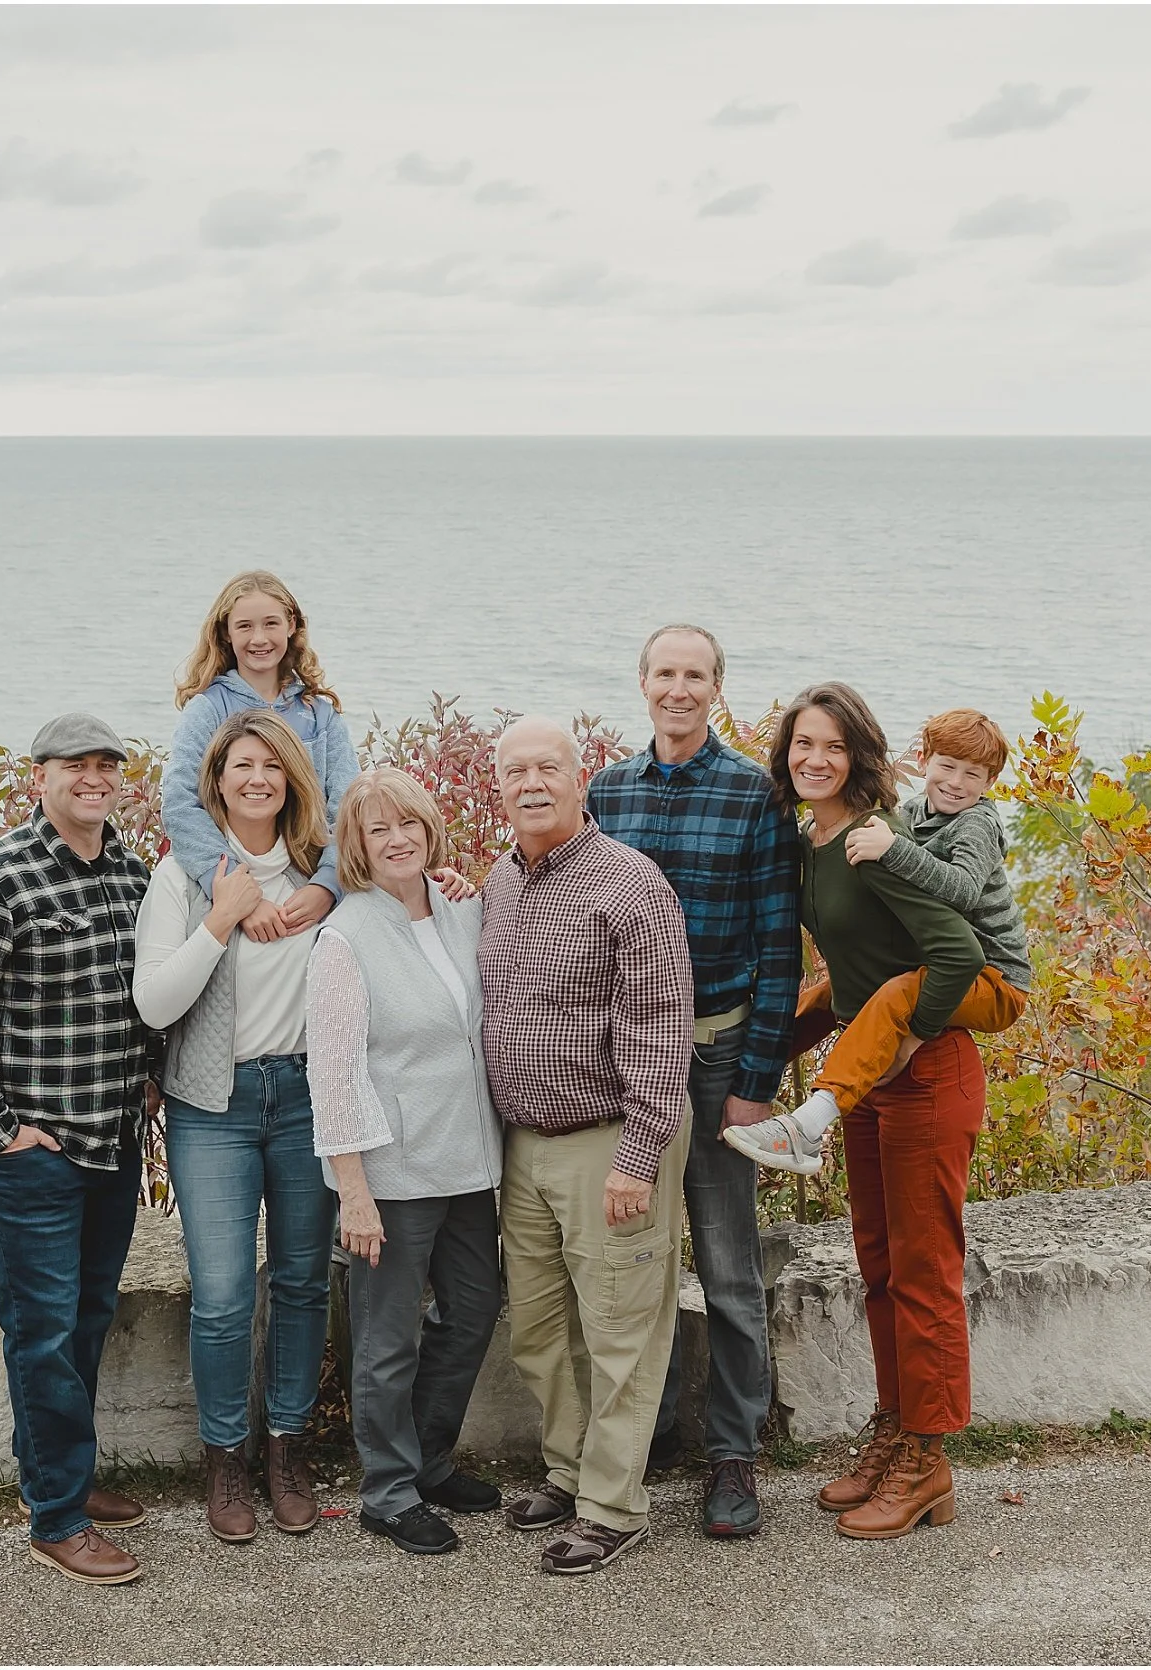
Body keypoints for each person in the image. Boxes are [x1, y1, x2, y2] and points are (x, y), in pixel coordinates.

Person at [0, 712, 162, 1587]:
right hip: (34, 1158)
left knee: (86, 1321)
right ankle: (56, 1518)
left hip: (112, 1143)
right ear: (40, 777)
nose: (93, 779)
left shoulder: (134, 876)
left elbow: (150, 996)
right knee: (43, 1334)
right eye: (75, 766)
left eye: (107, 766)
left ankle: (66, 1476)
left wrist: (154, 1082)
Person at [585, 623, 799, 1538]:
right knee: (637, 1259)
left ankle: (733, 1454)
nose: (679, 688)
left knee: (726, 1266)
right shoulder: (606, 790)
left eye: (696, 675)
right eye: (665, 672)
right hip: (629, 1063)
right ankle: (648, 1434)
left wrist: (757, 1080)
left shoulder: (755, 793)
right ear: (642, 683)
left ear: (717, 687)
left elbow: (779, 948)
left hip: (717, 1059)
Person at [767, 682, 988, 1540]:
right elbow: (856, 969)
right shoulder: (812, 843)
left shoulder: (878, 842)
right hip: (868, 1076)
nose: (815, 759)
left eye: (834, 745)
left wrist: (910, 1038)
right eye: (802, 744)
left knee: (924, 1271)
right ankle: (895, 1431)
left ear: (861, 756)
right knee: (880, 1265)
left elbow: (957, 953)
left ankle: (928, 1460)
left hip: (928, 1072)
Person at [478, 716, 696, 1576]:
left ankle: (613, 1507)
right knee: (539, 1330)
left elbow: (662, 1028)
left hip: (610, 1140)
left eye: (548, 768)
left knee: (618, 1331)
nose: (531, 784)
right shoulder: (500, 881)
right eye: (514, 771)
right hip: (523, 1144)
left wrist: (638, 1157)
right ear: (499, 787)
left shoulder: (630, 884)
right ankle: (569, 1474)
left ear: (581, 779)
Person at [133, 709, 335, 1542]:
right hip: (212, 1106)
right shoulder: (182, 875)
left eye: (272, 765)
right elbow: (154, 1003)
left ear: (293, 779)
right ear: (215, 781)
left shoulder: (324, 874)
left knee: (302, 1282)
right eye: (241, 765)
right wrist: (221, 919)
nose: (257, 779)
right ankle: (225, 1460)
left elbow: (404, 896)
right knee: (221, 1295)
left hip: (308, 1100)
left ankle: (286, 1448)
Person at [305, 768, 507, 1557]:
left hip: (471, 1161)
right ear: (356, 845)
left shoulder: (460, 909)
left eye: (410, 824)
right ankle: (388, 1492)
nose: (398, 840)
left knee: (474, 1310)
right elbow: (333, 1074)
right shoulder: (344, 937)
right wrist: (353, 1193)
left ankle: (429, 1460)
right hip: (392, 1173)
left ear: (430, 829)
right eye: (378, 829)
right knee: (387, 1340)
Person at [725, 706, 1030, 1175]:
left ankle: (810, 1123)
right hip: (939, 970)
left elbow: (965, 891)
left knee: (896, 993)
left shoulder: (975, 824)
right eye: (947, 766)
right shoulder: (911, 813)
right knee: (829, 996)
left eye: (972, 775)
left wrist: (893, 849)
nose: (956, 783)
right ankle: (732, 1076)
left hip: (996, 978)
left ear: (990, 782)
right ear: (924, 760)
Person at [166, 570, 360, 942]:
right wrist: (236, 896)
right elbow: (180, 805)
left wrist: (328, 884)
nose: (259, 639)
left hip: (309, 893)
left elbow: (350, 809)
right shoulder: (207, 710)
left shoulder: (321, 715)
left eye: (271, 623)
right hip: (229, 892)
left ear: (292, 625)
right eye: (244, 626)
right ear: (226, 632)